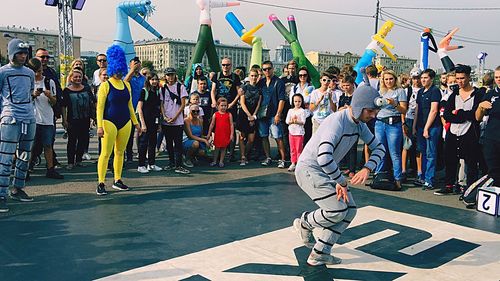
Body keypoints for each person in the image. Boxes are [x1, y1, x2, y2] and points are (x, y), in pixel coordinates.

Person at [293, 84, 385, 266]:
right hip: (309, 170)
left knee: (349, 211)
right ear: (359, 106)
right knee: (337, 210)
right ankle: (305, 223)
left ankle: (320, 253)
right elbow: (324, 158)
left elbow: (379, 149)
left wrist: (367, 168)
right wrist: (341, 181)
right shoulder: (337, 122)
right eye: (370, 111)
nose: (373, 115)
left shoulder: (358, 123)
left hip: (325, 171)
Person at [96, 45, 141, 196]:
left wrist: (136, 123)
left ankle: (117, 179)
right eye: (116, 70)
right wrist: (100, 126)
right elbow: (100, 108)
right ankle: (101, 182)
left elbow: (130, 106)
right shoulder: (104, 85)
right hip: (109, 122)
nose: (119, 73)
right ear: (112, 68)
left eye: (121, 70)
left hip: (125, 122)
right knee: (105, 153)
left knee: (120, 152)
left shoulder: (126, 84)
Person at [0, 39, 37, 212]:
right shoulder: (3, 72)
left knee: (24, 155)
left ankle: (18, 188)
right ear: (11, 53)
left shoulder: (29, 73)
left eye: (25, 53)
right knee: (6, 157)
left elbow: (30, 94)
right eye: (19, 53)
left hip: (29, 117)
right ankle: (1, 194)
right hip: (10, 118)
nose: (23, 56)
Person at [439, 64, 483, 195]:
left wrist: (458, 112)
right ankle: (449, 185)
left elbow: (475, 116)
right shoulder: (454, 94)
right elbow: (447, 115)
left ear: (469, 77)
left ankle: (470, 190)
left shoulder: (477, 94)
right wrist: (462, 115)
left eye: (462, 78)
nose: (460, 81)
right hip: (453, 132)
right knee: (450, 160)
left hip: (469, 132)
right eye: (457, 78)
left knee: (471, 163)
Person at [26, 58, 63, 179]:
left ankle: (50, 169)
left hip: (47, 118)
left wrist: (49, 96)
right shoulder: (27, 83)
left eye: (40, 71)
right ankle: (25, 169)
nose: (39, 74)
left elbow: (55, 101)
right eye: (36, 71)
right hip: (32, 118)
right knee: (31, 146)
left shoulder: (48, 81)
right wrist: (33, 95)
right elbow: (23, 101)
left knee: (48, 145)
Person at [374, 69, 408, 190]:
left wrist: (394, 104)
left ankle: (397, 178)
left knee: (394, 153)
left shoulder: (400, 91)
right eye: (386, 79)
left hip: (393, 124)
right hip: (379, 123)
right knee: (380, 151)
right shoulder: (380, 91)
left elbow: (404, 110)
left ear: (395, 79)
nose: (388, 81)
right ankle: (378, 176)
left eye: (390, 79)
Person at [412, 69, 442, 190]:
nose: (423, 80)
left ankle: (430, 179)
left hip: (432, 127)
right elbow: (417, 109)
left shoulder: (435, 91)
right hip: (420, 126)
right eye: (422, 78)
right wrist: (414, 126)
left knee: (431, 154)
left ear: (432, 79)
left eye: (426, 78)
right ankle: (423, 177)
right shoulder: (420, 92)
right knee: (422, 152)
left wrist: (426, 128)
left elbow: (434, 110)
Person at [62, 69, 95, 169]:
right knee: (72, 141)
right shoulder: (67, 91)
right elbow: (63, 106)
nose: (78, 79)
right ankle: (70, 162)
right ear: (71, 78)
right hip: (72, 120)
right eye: (75, 77)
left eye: (79, 77)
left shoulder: (86, 88)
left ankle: (79, 160)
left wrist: (94, 117)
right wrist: (64, 120)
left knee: (83, 140)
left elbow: (92, 102)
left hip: (85, 119)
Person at [257, 61, 287, 168]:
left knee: (278, 137)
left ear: (273, 69)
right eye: (264, 69)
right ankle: (268, 157)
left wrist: (278, 114)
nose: (267, 71)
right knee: (264, 136)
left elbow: (282, 99)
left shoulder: (279, 82)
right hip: (262, 114)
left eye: (269, 68)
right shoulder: (261, 82)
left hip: (274, 113)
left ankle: (282, 159)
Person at [160, 67, 190, 174]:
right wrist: (164, 116)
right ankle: (171, 162)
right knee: (168, 144)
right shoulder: (163, 88)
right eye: (168, 75)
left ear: (175, 75)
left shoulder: (180, 87)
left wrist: (175, 117)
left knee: (178, 144)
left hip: (177, 121)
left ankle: (179, 164)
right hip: (166, 120)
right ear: (165, 76)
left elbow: (183, 104)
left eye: (172, 75)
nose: (170, 77)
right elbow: (162, 104)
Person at [211, 57, 241, 161]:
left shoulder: (235, 77)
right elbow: (213, 90)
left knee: (231, 129)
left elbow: (239, 92)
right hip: (219, 106)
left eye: (227, 65)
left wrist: (233, 103)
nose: (225, 67)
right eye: (223, 65)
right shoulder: (217, 75)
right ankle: (218, 152)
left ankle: (231, 153)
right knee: (218, 129)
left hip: (230, 107)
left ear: (231, 65)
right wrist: (214, 101)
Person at [476, 66, 500, 185]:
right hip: (491, 138)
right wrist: (481, 107)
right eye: (496, 77)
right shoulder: (490, 94)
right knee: (493, 171)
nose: (498, 79)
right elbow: (477, 117)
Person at [137, 72, 162, 173]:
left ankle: (151, 164)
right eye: (152, 79)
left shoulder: (157, 91)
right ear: (148, 81)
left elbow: (158, 108)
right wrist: (142, 123)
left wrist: (159, 124)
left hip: (154, 121)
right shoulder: (144, 91)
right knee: (143, 143)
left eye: (156, 79)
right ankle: (141, 165)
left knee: (153, 142)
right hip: (145, 121)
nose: (154, 81)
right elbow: (139, 108)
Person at [238, 68, 262, 166]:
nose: (254, 78)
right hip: (244, 114)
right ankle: (243, 156)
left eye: (255, 76)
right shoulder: (244, 87)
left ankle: (246, 154)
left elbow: (258, 104)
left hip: (253, 115)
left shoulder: (259, 89)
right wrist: (249, 115)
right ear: (249, 76)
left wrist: (253, 116)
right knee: (242, 137)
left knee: (251, 139)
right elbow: (242, 103)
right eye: (252, 76)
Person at [124, 56, 146, 163]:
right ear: (130, 64)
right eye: (134, 62)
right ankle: (125, 156)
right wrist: (132, 70)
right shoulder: (127, 75)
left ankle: (131, 156)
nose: (137, 64)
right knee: (126, 134)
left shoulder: (143, 78)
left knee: (136, 133)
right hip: (127, 109)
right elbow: (124, 82)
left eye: (138, 63)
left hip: (139, 110)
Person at [402, 68, 421, 182]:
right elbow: (403, 108)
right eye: (414, 78)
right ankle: (403, 170)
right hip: (409, 118)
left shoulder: (423, 90)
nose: (416, 81)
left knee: (418, 147)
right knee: (406, 145)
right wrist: (403, 122)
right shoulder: (407, 91)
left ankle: (417, 170)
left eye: (418, 78)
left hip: (419, 120)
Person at [338, 75, 357, 177]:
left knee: (353, 147)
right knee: (346, 146)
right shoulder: (342, 96)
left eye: (347, 85)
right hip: (344, 122)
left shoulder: (356, 96)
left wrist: (349, 108)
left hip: (354, 123)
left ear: (352, 85)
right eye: (344, 85)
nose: (346, 87)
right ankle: (349, 168)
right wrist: (342, 108)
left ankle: (353, 169)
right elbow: (338, 109)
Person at [207, 97, 234, 168]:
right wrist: (209, 133)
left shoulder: (229, 114)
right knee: (216, 148)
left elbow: (231, 125)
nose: (223, 107)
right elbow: (212, 124)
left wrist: (231, 134)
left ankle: (221, 161)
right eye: (222, 105)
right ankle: (214, 160)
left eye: (225, 106)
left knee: (224, 148)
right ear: (217, 106)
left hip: (226, 133)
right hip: (218, 133)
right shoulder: (215, 114)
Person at [290, 67, 314, 144]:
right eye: (300, 75)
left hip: (307, 115)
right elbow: (291, 101)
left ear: (307, 76)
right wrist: (303, 103)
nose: (302, 77)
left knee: (307, 137)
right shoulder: (294, 88)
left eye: (304, 75)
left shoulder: (311, 87)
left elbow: (312, 101)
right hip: (296, 116)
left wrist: (300, 103)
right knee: (297, 138)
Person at [286, 94, 307, 172]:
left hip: (299, 133)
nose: (297, 103)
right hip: (291, 132)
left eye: (299, 101)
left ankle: (299, 164)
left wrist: (297, 121)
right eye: (295, 101)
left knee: (299, 149)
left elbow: (303, 122)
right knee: (292, 149)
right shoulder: (290, 110)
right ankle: (293, 163)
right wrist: (292, 121)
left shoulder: (302, 111)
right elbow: (287, 121)